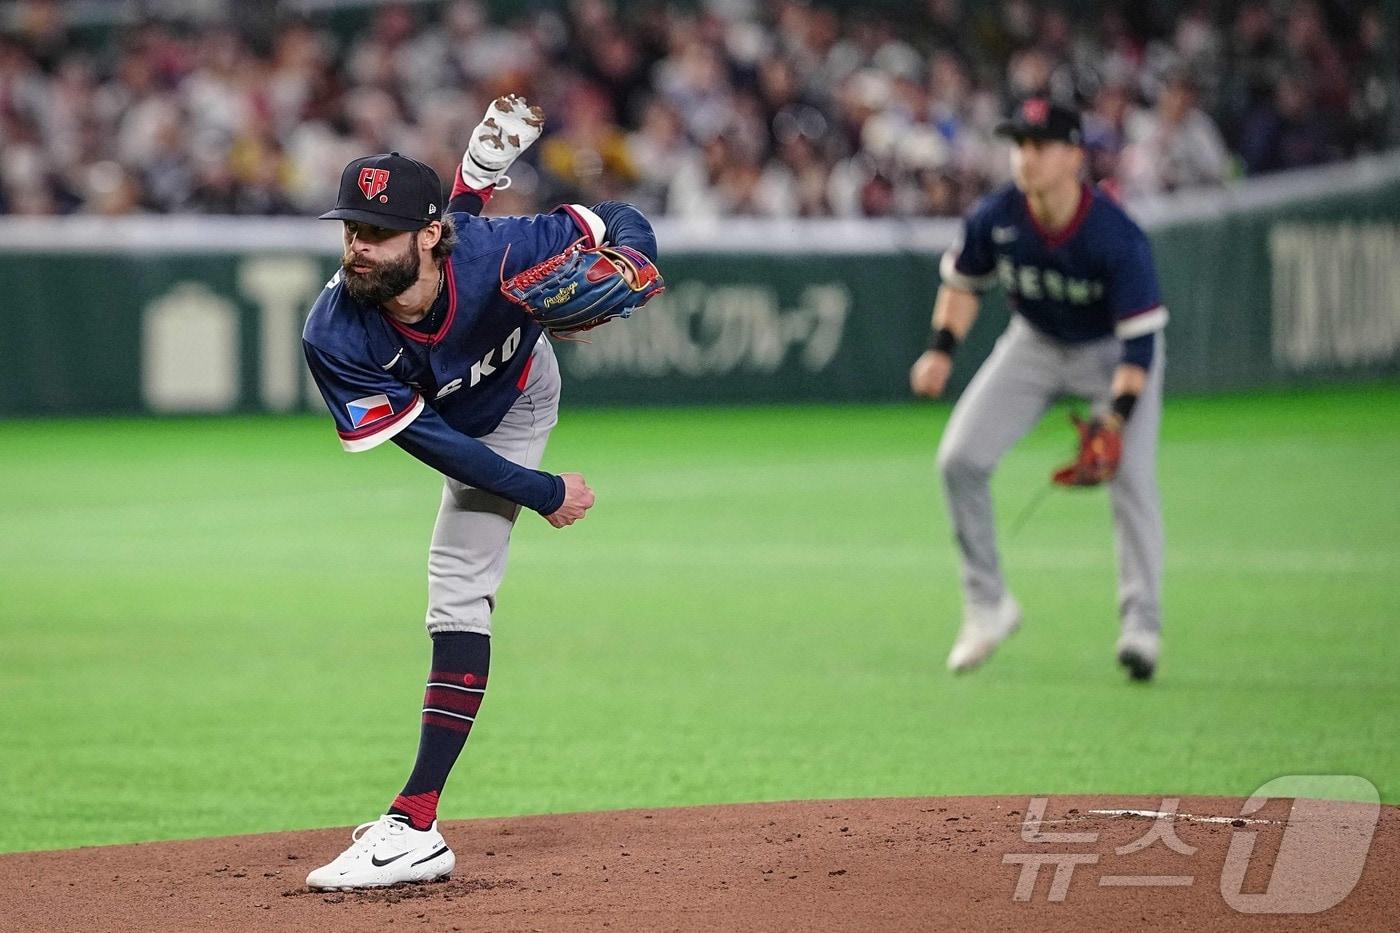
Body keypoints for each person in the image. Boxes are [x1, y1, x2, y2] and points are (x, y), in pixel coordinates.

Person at [300, 96, 660, 889]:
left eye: (376, 232)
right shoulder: (333, 329)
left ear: (424, 231)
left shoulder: (498, 248)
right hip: (453, 416)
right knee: (433, 286)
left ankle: (415, 823)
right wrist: (542, 489)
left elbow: (618, 216)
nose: (357, 248)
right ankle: (474, 174)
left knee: (458, 588)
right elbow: (438, 446)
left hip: (521, 390)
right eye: (350, 230)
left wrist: (633, 261)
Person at [908, 98, 1167, 682]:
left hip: (1111, 354)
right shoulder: (997, 216)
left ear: (1073, 155)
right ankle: (987, 605)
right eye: (1018, 144)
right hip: (1036, 344)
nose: (1025, 157)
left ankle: (1142, 626)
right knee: (960, 459)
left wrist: (1115, 420)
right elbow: (962, 283)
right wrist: (941, 349)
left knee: (1131, 479)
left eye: (1039, 145)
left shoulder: (1115, 236)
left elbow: (1141, 347)